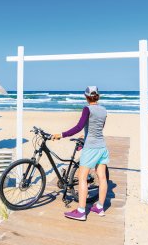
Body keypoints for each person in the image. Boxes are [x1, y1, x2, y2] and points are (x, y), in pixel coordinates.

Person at [52, 86, 109, 221]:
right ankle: (100, 207)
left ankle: (81, 211)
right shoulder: (103, 110)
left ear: (86, 96)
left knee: (81, 177)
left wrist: (61, 135)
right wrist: (86, 136)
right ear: (97, 96)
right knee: (102, 178)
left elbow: (79, 127)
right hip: (102, 147)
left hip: (91, 149)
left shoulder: (87, 109)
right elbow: (99, 129)